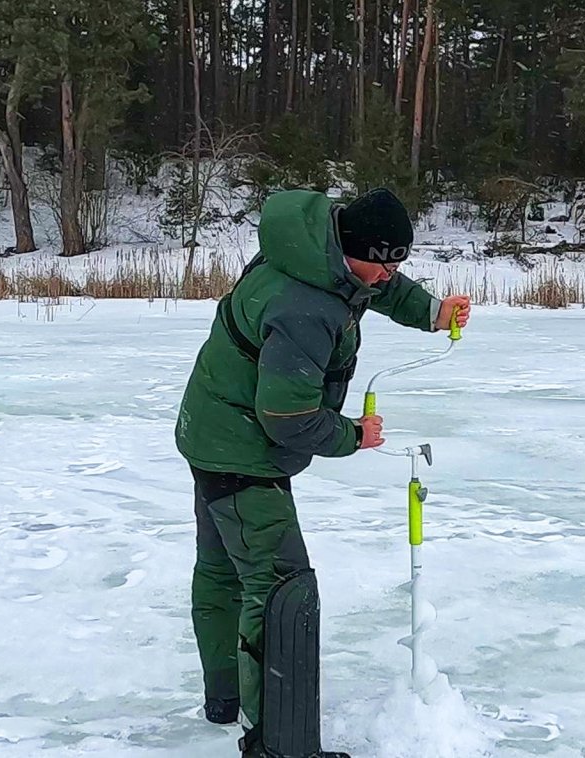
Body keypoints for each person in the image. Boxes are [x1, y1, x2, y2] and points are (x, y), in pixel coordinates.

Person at [174, 186, 471, 758]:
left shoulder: (314, 246)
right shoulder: (303, 307)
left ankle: (226, 699)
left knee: (222, 572)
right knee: (280, 587)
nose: (387, 276)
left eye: (397, 263)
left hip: (208, 426)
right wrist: (353, 435)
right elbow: (287, 417)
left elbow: (375, 285)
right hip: (241, 449)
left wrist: (432, 313)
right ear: (351, 248)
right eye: (381, 263)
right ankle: (277, 742)